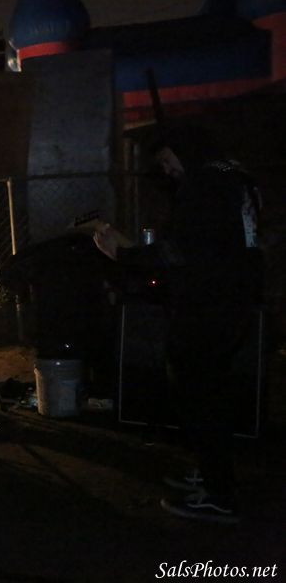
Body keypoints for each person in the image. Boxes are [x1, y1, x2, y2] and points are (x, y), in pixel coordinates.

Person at [94, 125, 262, 524]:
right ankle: (212, 473)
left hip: (209, 307)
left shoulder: (204, 184)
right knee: (211, 391)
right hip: (236, 301)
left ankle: (218, 494)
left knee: (199, 394)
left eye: (169, 161)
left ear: (186, 151)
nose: (167, 170)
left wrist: (124, 254)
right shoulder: (236, 175)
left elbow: (182, 251)